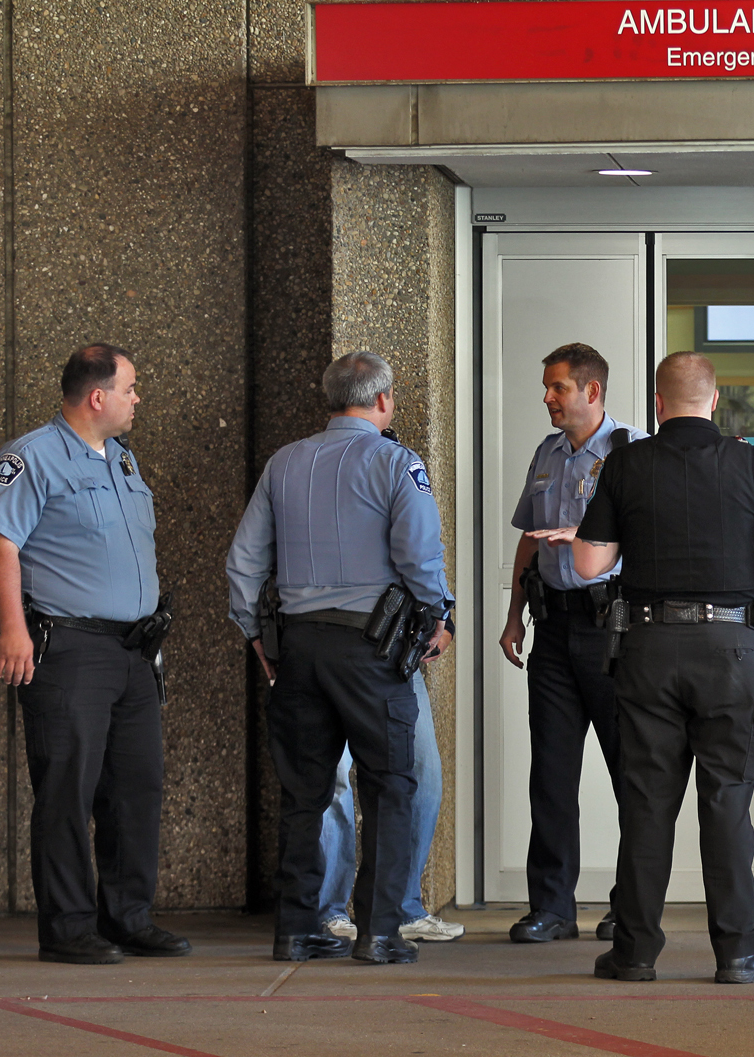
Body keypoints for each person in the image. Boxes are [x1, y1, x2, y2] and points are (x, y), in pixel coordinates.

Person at [564, 351, 754, 984]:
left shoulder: (625, 462)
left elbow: (589, 566)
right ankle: (739, 953)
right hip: (729, 653)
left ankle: (635, 952)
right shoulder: (752, 462)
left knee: (647, 804)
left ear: (657, 402)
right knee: (726, 801)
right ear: (714, 399)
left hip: (646, 651)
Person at [226, 351, 454, 965]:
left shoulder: (284, 463)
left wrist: (255, 633)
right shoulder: (396, 462)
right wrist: (439, 615)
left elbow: (244, 560)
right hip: (370, 650)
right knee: (390, 785)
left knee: (304, 792)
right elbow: (418, 555)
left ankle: (297, 929)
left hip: (297, 647)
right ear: (382, 402)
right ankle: (381, 931)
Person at [0, 343, 190, 965]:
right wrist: (11, 628)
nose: (137, 398)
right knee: (67, 787)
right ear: (98, 396)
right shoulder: (30, 458)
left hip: (133, 653)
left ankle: (126, 918)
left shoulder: (122, 460)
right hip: (68, 649)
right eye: (131, 387)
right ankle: (68, 929)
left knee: (136, 787)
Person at [499, 343, 646, 944]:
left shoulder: (632, 452)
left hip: (613, 628)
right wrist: (514, 617)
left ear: (592, 391)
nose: (548, 398)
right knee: (552, 774)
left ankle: (627, 906)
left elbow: (653, 540)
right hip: (553, 629)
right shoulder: (548, 452)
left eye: (558, 387)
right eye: (547, 386)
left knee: (630, 772)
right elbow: (529, 542)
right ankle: (552, 908)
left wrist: (591, 541)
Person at [317, 690, 462, 945]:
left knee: (423, 774)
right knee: (335, 778)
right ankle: (330, 911)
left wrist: (444, 645)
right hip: (334, 656)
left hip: (400, 659)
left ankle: (403, 908)